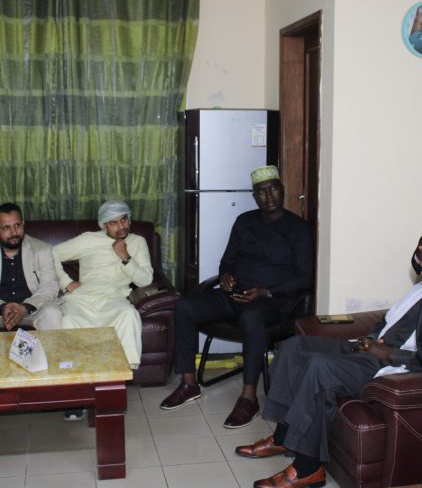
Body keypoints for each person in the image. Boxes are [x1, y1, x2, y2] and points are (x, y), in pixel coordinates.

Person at [160, 165, 314, 429]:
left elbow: (305, 277)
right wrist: (225, 277)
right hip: (235, 295)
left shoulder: (298, 228)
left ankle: (248, 398)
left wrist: (266, 291)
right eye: (261, 192)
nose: (269, 196)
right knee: (185, 306)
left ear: (282, 190)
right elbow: (227, 261)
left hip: (271, 301)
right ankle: (188, 383)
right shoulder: (244, 221)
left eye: (273, 189)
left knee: (252, 317)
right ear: (254, 196)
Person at [235, 282, 422, 488]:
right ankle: (282, 438)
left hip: (393, 364)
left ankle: (308, 468)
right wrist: (371, 340)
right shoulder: (417, 289)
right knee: (294, 347)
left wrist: (387, 353)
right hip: (370, 350)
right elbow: (387, 322)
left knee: (320, 368)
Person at [53, 200, 153, 369]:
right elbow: (51, 253)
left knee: (129, 315)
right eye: (114, 223)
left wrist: (125, 257)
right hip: (83, 299)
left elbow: (146, 280)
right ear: (104, 225)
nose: (121, 227)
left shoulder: (138, 242)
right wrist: (66, 282)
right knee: (69, 320)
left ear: (129, 219)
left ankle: (122, 372)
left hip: (114, 299)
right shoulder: (88, 239)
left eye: (124, 220)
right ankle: (75, 373)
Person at [0, 202, 61, 331]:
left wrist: (25, 308)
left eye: (17, 225)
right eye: (6, 228)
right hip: (1, 312)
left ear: (23, 224)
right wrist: (3, 307)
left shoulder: (42, 249)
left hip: (33, 310)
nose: (14, 232)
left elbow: (50, 286)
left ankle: (49, 346)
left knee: (52, 312)